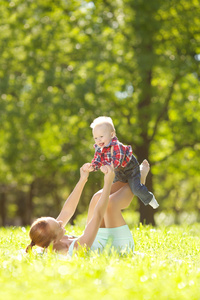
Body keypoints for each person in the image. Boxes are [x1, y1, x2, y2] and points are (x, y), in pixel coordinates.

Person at [26, 159, 150, 256]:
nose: (60, 222)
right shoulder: (74, 250)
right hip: (118, 246)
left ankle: (128, 175)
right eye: (58, 225)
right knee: (110, 204)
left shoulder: (50, 236)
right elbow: (98, 215)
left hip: (98, 238)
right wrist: (107, 182)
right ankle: (139, 181)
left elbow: (67, 211)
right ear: (53, 242)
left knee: (97, 197)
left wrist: (82, 179)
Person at [84, 116, 159, 209]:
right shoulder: (99, 148)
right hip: (118, 171)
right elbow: (97, 160)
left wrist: (107, 168)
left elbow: (117, 162)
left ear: (112, 134)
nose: (98, 140)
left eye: (101, 136)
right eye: (96, 138)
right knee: (115, 192)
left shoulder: (117, 146)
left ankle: (149, 198)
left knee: (135, 189)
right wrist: (93, 167)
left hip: (130, 169)